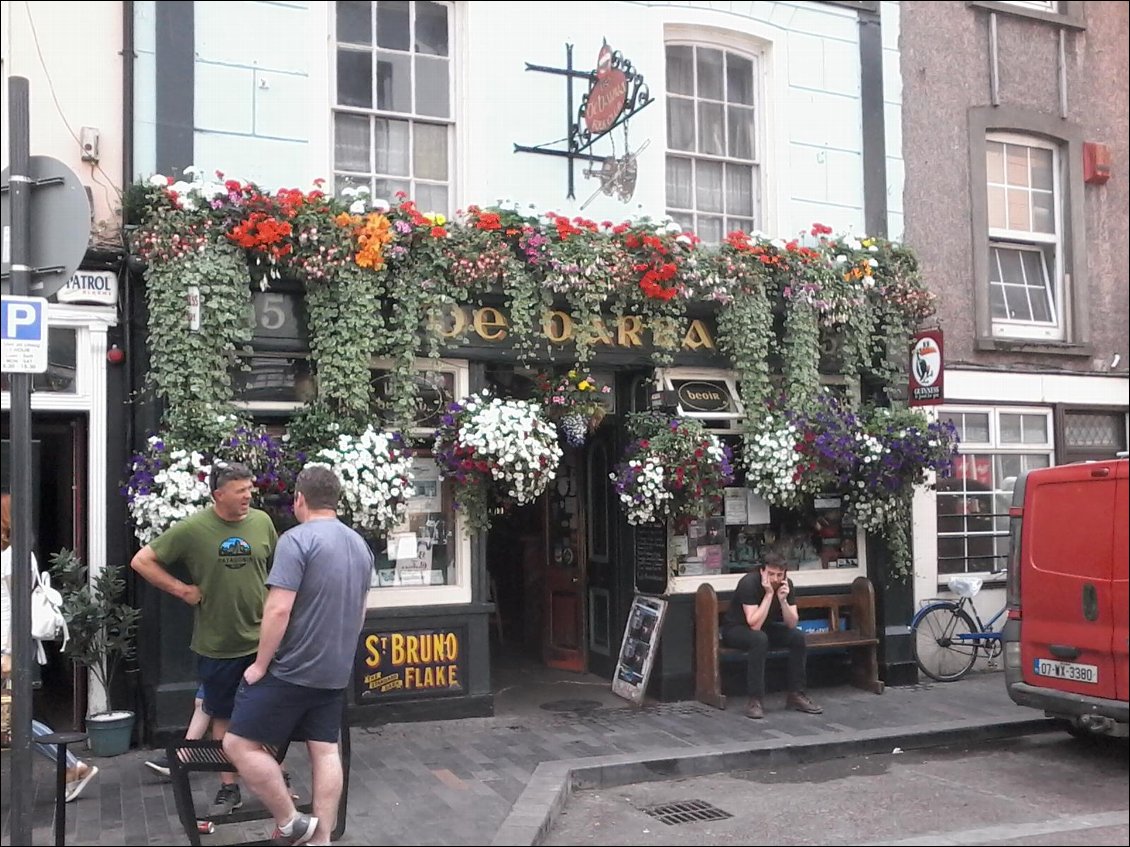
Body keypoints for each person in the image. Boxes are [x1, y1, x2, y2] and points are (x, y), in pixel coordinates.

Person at [223, 465, 374, 846]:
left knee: (237, 744)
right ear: (336, 500)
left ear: (300, 500)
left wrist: (259, 666)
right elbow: (360, 612)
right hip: (335, 670)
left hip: (291, 669)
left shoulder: (296, 540)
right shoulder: (360, 545)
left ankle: (292, 821)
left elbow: (277, 610)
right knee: (325, 751)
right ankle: (321, 840)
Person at [130, 462, 277, 815]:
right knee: (222, 717)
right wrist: (181, 590)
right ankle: (229, 788)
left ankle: (272, 775)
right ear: (218, 495)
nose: (248, 497)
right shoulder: (194, 529)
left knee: (268, 713)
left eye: (249, 490)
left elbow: (274, 570)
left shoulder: (262, 523)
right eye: (240, 491)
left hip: (262, 640)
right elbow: (142, 560)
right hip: (218, 643)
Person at [1, 493, 99, 801]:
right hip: (8, 643)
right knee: (12, 717)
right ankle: (72, 766)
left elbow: (15, 609)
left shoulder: (13, 556)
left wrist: (8, 652)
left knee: (13, 717)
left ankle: (73, 766)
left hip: (8, 644)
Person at [721, 552, 824, 719]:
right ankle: (755, 700)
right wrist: (769, 594)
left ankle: (796, 694)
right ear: (762, 571)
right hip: (736, 629)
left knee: (797, 637)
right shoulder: (749, 583)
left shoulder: (786, 585)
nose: (775, 579)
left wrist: (783, 601)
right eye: (770, 574)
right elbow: (754, 623)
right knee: (759, 639)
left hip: (765, 627)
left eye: (779, 575)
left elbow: (792, 623)